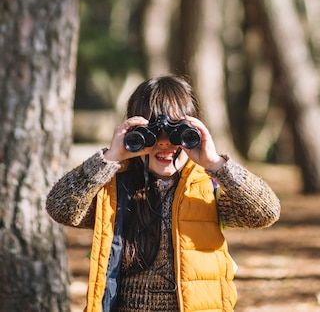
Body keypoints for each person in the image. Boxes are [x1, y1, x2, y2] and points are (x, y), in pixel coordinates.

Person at [46, 74, 281, 312]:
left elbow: (265, 212)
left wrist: (215, 163)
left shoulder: (207, 190)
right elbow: (60, 207)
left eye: (177, 133)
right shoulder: (116, 191)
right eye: (151, 133)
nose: (164, 143)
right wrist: (108, 159)